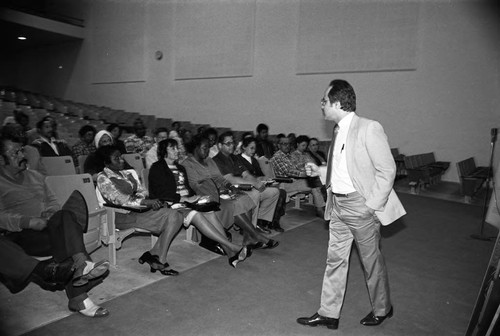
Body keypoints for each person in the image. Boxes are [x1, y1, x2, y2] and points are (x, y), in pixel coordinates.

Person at [297, 79, 406, 330]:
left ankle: (383, 308)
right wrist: (321, 170)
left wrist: (371, 205)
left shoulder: (369, 127)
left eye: (324, 101)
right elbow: (345, 169)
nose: (321, 105)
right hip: (337, 205)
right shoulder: (337, 130)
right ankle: (328, 313)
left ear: (337, 102)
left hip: (361, 206)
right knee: (334, 260)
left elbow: (387, 169)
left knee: (371, 262)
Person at [0, 135, 110, 317]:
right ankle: (76, 295)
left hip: (45, 227)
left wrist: (50, 212)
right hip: (20, 235)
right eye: (14, 152)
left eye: (21, 150)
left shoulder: (35, 176)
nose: (21, 155)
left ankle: (81, 264)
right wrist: (26, 221)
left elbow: (53, 201)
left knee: (65, 215)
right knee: (66, 237)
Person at [148, 139, 249, 268]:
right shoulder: (157, 167)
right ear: (164, 151)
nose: (177, 151)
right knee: (197, 214)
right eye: (172, 148)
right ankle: (232, 247)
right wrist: (184, 199)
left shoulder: (180, 168)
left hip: (186, 202)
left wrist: (196, 197)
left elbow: (187, 188)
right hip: (171, 203)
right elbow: (159, 193)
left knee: (210, 211)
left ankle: (230, 253)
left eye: (176, 148)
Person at [96, 145, 184, 276]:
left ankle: (155, 255)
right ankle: (159, 259)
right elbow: (120, 200)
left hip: (138, 210)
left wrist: (142, 201)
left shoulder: (126, 173)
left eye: (121, 157)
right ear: (106, 163)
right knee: (172, 218)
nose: (121, 160)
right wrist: (143, 201)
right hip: (120, 215)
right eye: (116, 158)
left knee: (177, 216)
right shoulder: (103, 178)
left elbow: (143, 191)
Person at [182, 135, 279, 249]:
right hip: (204, 196)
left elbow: (219, 178)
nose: (207, 150)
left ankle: (248, 238)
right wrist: (218, 189)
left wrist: (230, 187)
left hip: (220, 192)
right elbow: (196, 185)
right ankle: (256, 235)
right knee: (235, 204)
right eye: (204, 148)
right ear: (195, 148)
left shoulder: (209, 160)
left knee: (242, 197)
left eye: (208, 147)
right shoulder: (187, 164)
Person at [212, 131, 280, 235]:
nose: (232, 145)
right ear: (220, 145)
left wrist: (257, 182)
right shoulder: (217, 160)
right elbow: (231, 179)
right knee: (255, 193)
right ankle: (251, 229)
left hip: (246, 186)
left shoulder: (235, 157)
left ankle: (258, 221)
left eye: (232, 142)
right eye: (228, 143)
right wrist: (253, 185)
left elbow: (246, 174)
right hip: (231, 188)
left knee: (274, 192)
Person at [235, 136, 286, 232]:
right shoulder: (237, 159)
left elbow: (259, 175)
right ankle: (250, 225)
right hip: (245, 188)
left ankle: (259, 219)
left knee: (275, 192)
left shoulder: (254, 160)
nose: (254, 151)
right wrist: (258, 179)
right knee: (256, 194)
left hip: (257, 186)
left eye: (255, 148)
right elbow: (243, 177)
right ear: (244, 147)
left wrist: (265, 178)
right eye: (251, 148)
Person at [271, 135, 326, 217]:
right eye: (284, 144)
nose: (287, 146)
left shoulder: (288, 155)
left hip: (295, 181)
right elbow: (288, 171)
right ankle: (320, 209)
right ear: (278, 145)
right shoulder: (277, 157)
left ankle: (322, 207)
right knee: (314, 184)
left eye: (289, 144)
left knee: (319, 182)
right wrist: (304, 173)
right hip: (285, 183)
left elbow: (299, 167)